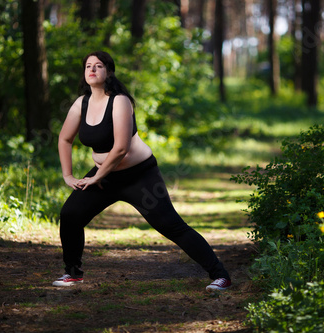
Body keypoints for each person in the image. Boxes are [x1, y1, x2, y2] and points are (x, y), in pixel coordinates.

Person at [53, 51, 231, 292]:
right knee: (71, 214)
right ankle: (73, 273)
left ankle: (220, 275)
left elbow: (121, 148)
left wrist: (96, 176)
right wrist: (68, 176)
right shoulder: (80, 104)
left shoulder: (120, 101)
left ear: (108, 72)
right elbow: (64, 139)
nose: (92, 70)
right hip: (104, 177)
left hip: (139, 176)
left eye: (98, 66)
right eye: (88, 66)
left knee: (171, 225)